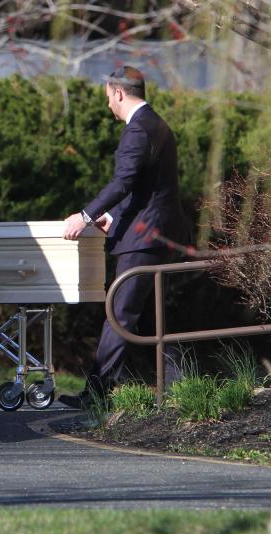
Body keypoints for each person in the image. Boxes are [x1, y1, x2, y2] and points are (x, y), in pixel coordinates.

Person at [59, 66, 189, 409]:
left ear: (119, 93)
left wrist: (84, 216)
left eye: (108, 99)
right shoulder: (157, 124)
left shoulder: (137, 130)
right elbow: (146, 189)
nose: (108, 106)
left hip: (145, 239)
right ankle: (183, 385)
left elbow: (123, 182)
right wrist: (112, 217)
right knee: (151, 313)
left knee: (119, 313)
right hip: (157, 233)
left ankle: (98, 393)